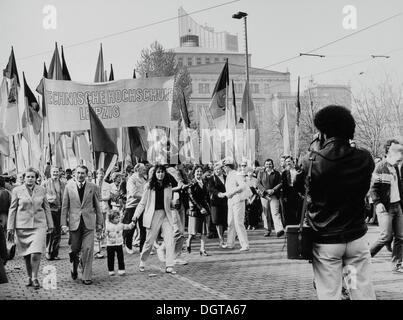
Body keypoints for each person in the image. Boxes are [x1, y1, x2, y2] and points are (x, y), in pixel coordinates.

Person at [297, 105, 376, 300]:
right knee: (360, 289)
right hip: (356, 237)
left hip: (326, 240)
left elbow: (301, 190)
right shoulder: (364, 158)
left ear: (322, 132)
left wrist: (315, 150)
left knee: (329, 292)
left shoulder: (311, 160)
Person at [7, 167, 54, 289]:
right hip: (22, 226)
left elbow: (47, 207)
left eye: (33, 177)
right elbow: (12, 209)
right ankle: (29, 277)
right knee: (26, 255)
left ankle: (35, 277)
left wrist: (51, 224)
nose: (30, 179)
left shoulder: (42, 190)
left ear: (36, 178)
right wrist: (10, 227)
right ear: (24, 178)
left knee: (36, 253)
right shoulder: (17, 190)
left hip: (39, 225)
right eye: (28, 176)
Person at [61, 165, 103, 285]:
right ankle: (74, 265)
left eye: (82, 173)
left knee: (88, 249)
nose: (80, 175)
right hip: (74, 223)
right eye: (78, 173)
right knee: (75, 250)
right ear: (75, 174)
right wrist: (63, 224)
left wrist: (100, 223)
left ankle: (86, 276)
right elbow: (65, 207)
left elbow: (97, 207)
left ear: (86, 174)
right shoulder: (69, 187)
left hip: (89, 223)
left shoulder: (93, 187)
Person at [132, 165, 176, 274]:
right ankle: (143, 260)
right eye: (158, 172)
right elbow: (142, 203)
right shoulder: (149, 186)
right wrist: (136, 215)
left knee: (170, 240)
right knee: (149, 241)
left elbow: (169, 201)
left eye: (162, 172)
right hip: (153, 215)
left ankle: (169, 265)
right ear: (154, 174)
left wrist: (173, 203)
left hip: (166, 215)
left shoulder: (168, 186)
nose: (160, 174)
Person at [370, 139, 403, 273]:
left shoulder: (396, 167)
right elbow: (373, 188)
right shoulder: (380, 167)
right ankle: (366, 257)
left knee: (400, 237)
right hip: (385, 207)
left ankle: (397, 264)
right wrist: (377, 203)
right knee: (385, 237)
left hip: (397, 205)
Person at [220, 159, 251, 251]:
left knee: (238, 223)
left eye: (224, 167)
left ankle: (245, 245)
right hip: (231, 201)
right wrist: (224, 194)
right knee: (230, 223)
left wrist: (232, 193)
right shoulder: (229, 175)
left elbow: (242, 186)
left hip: (238, 201)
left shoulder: (236, 174)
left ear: (227, 166)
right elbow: (230, 189)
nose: (223, 169)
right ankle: (230, 243)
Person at [42, 166, 66, 260]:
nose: (55, 173)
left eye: (57, 172)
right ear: (50, 173)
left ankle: (55, 253)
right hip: (50, 210)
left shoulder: (63, 183)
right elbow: (42, 196)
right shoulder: (45, 183)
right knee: (50, 231)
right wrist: (48, 200)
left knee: (58, 232)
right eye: (54, 172)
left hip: (60, 209)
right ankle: (48, 251)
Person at [187, 165, 211, 256]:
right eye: (197, 171)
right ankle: (188, 241)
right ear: (194, 173)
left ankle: (202, 249)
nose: (199, 173)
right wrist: (200, 208)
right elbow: (192, 198)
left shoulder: (205, 182)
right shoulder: (191, 184)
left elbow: (207, 196)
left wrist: (207, 207)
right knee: (193, 232)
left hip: (205, 209)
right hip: (195, 210)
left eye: (201, 171)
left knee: (204, 231)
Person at [124, 163, 148, 254]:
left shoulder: (144, 179)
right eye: (143, 169)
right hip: (132, 206)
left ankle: (143, 248)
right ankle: (128, 245)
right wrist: (146, 197)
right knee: (131, 227)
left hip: (142, 206)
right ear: (137, 170)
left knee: (143, 227)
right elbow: (134, 194)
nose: (145, 170)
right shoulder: (131, 179)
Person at [257, 159, 284, 237]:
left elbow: (280, 183)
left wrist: (273, 190)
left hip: (274, 195)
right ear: (264, 165)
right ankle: (267, 230)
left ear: (272, 164)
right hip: (264, 196)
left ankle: (279, 230)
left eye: (270, 164)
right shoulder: (261, 173)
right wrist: (265, 191)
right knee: (266, 213)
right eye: (267, 164)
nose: (268, 165)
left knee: (275, 212)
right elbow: (258, 183)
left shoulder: (277, 173)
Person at [105, 210, 135, 276]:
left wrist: (132, 224)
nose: (118, 219)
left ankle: (121, 270)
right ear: (111, 219)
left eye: (119, 217)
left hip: (119, 244)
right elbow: (105, 233)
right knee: (110, 258)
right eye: (116, 218)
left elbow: (127, 227)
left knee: (120, 257)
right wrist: (104, 235)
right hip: (110, 244)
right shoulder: (108, 226)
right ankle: (111, 270)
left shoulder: (120, 225)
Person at [207, 162, 228, 247]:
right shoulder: (212, 179)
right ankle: (221, 239)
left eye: (218, 169)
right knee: (217, 220)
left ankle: (223, 236)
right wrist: (218, 193)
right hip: (216, 202)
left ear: (222, 170)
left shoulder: (227, 177)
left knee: (224, 220)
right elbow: (210, 188)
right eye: (215, 170)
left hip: (225, 201)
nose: (217, 171)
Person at [281, 156, 302, 226]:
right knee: (288, 210)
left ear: (293, 162)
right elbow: (283, 185)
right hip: (288, 192)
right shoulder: (284, 173)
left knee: (298, 209)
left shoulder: (298, 171)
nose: (288, 163)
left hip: (297, 192)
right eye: (286, 162)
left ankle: (297, 224)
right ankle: (289, 226)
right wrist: (284, 196)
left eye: (289, 161)